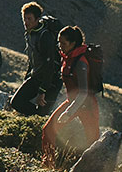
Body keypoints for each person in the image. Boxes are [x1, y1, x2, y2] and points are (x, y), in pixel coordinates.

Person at [41, 24, 102, 164]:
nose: (60, 46)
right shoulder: (67, 57)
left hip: (87, 106)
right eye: (59, 42)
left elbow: (83, 93)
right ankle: (48, 164)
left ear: (73, 44)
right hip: (72, 102)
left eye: (63, 43)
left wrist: (69, 112)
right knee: (49, 130)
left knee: (94, 144)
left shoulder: (80, 62)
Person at [8, 1, 65, 115]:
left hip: (51, 80)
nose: (26, 22)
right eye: (24, 18)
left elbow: (49, 65)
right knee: (16, 102)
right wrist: (26, 79)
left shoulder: (45, 36)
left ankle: (41, 121)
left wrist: (42, 90)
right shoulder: (29, 34)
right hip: (36, 77)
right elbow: (32, 60)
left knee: (42, 113)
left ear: (37, 19)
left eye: (29, 19)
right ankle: (35, 120)